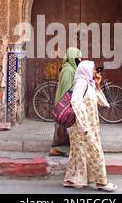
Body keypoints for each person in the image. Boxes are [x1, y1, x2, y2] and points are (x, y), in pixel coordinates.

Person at [63, 60, 117, 192]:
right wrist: (83, 123)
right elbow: (75, 101)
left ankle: (70, 179)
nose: (95, 72)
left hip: (88, 126)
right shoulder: (81, 83)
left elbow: (101, 102)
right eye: (93, 69)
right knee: (95, 151)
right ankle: (102, 182)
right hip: (83, 127)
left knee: (77, 152)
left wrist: (97, 85)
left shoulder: (88, 83)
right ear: (86, 70)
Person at [49, 47, 82, 156]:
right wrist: (68, 106)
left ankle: (61, 148)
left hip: (64, 103)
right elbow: (67, 90)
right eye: (78, 58)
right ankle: (58, 149)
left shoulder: (70, 69)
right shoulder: (68, 71)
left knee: (64, 127)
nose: (80, 60)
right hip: (64, 103)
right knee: (63, 126)